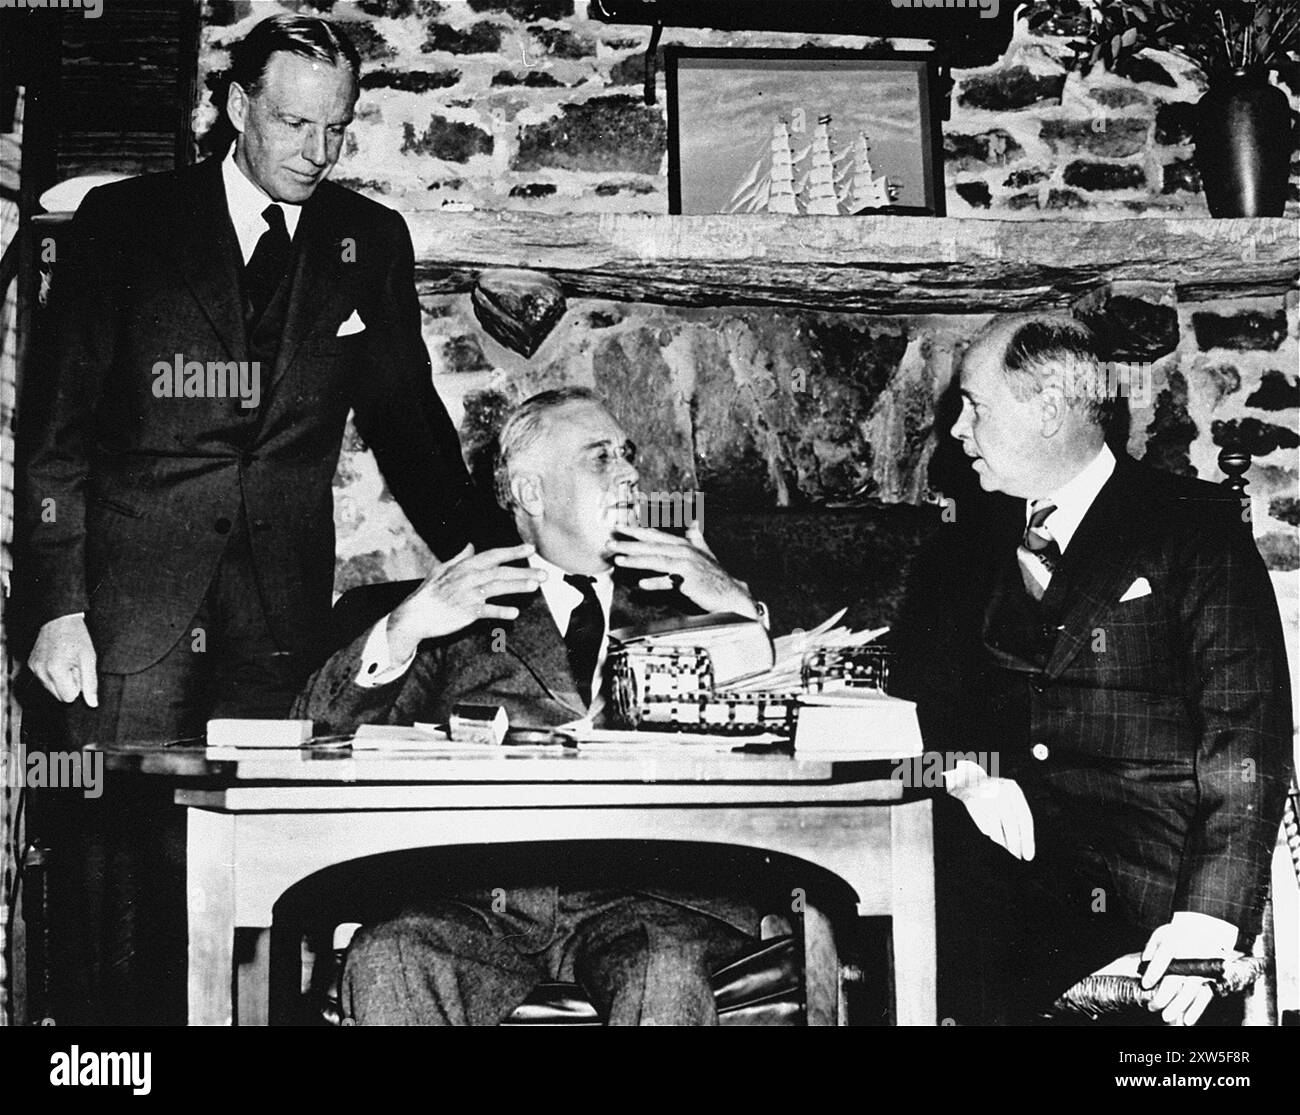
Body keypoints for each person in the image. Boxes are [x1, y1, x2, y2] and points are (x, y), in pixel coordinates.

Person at [17, 13, 504, 1024]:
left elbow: (410, 428)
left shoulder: (368, 242)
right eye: (291, 123)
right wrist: (56, 605)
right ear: (236, 108)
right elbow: (55, 437)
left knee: (263, 867)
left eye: (337, 128)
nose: (315, 152)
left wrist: (500, 559)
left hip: (274, 617)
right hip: (126, 612)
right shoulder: (123, 222)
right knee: (116, 865)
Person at [294, 387, 770, 1025]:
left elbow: (786, 718)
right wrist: (405, 628)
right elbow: (313, 733)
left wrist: (735, 603)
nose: (631, 473)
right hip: (480, 905)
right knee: (390, 955)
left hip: (647, 900)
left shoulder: (685, 595)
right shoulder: (464, 607)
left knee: (663, 967)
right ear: (531, 493)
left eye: (628, 454)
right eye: (601, 458)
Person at [891, 314, 1293, 1026]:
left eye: (974, 406)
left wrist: (1207, 922)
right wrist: (963, 772)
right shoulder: (958, 554)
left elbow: (1248, 746)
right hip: (994, 895)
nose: (955, 430)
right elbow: (907, 730)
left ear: (1049, 408)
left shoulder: (1193, 530)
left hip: (1153, 910)